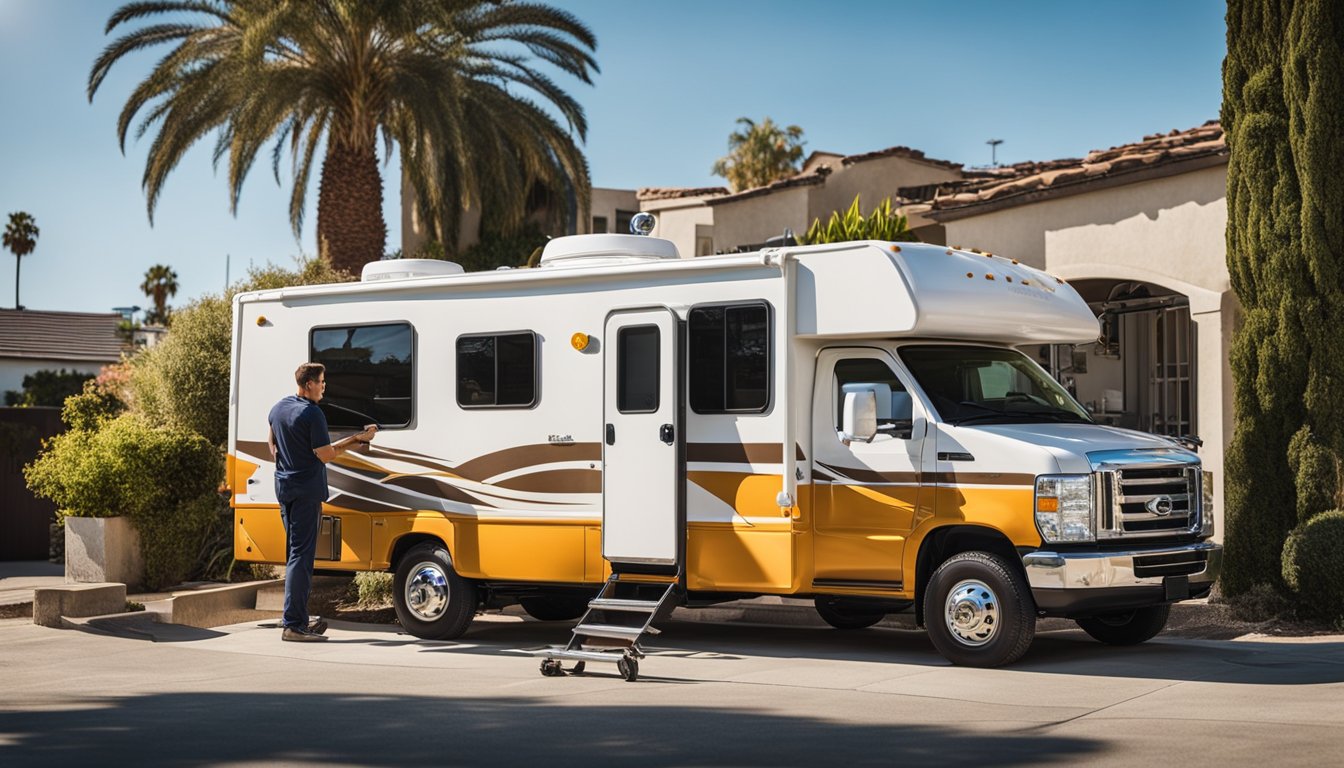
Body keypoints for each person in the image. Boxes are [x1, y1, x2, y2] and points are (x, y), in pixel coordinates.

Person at [268, 362, 378, 642]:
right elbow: (326, 454)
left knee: (295, 555)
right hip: (306, 492)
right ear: (308, 385)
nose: (324, 386)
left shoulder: (279, 408)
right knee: (301, 558)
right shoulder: (312, 413)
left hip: (285, 489)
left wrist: (289, 461)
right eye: (321, 381)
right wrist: (358, 439)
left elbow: (272, 445)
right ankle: (293, 625)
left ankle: (298, 620)